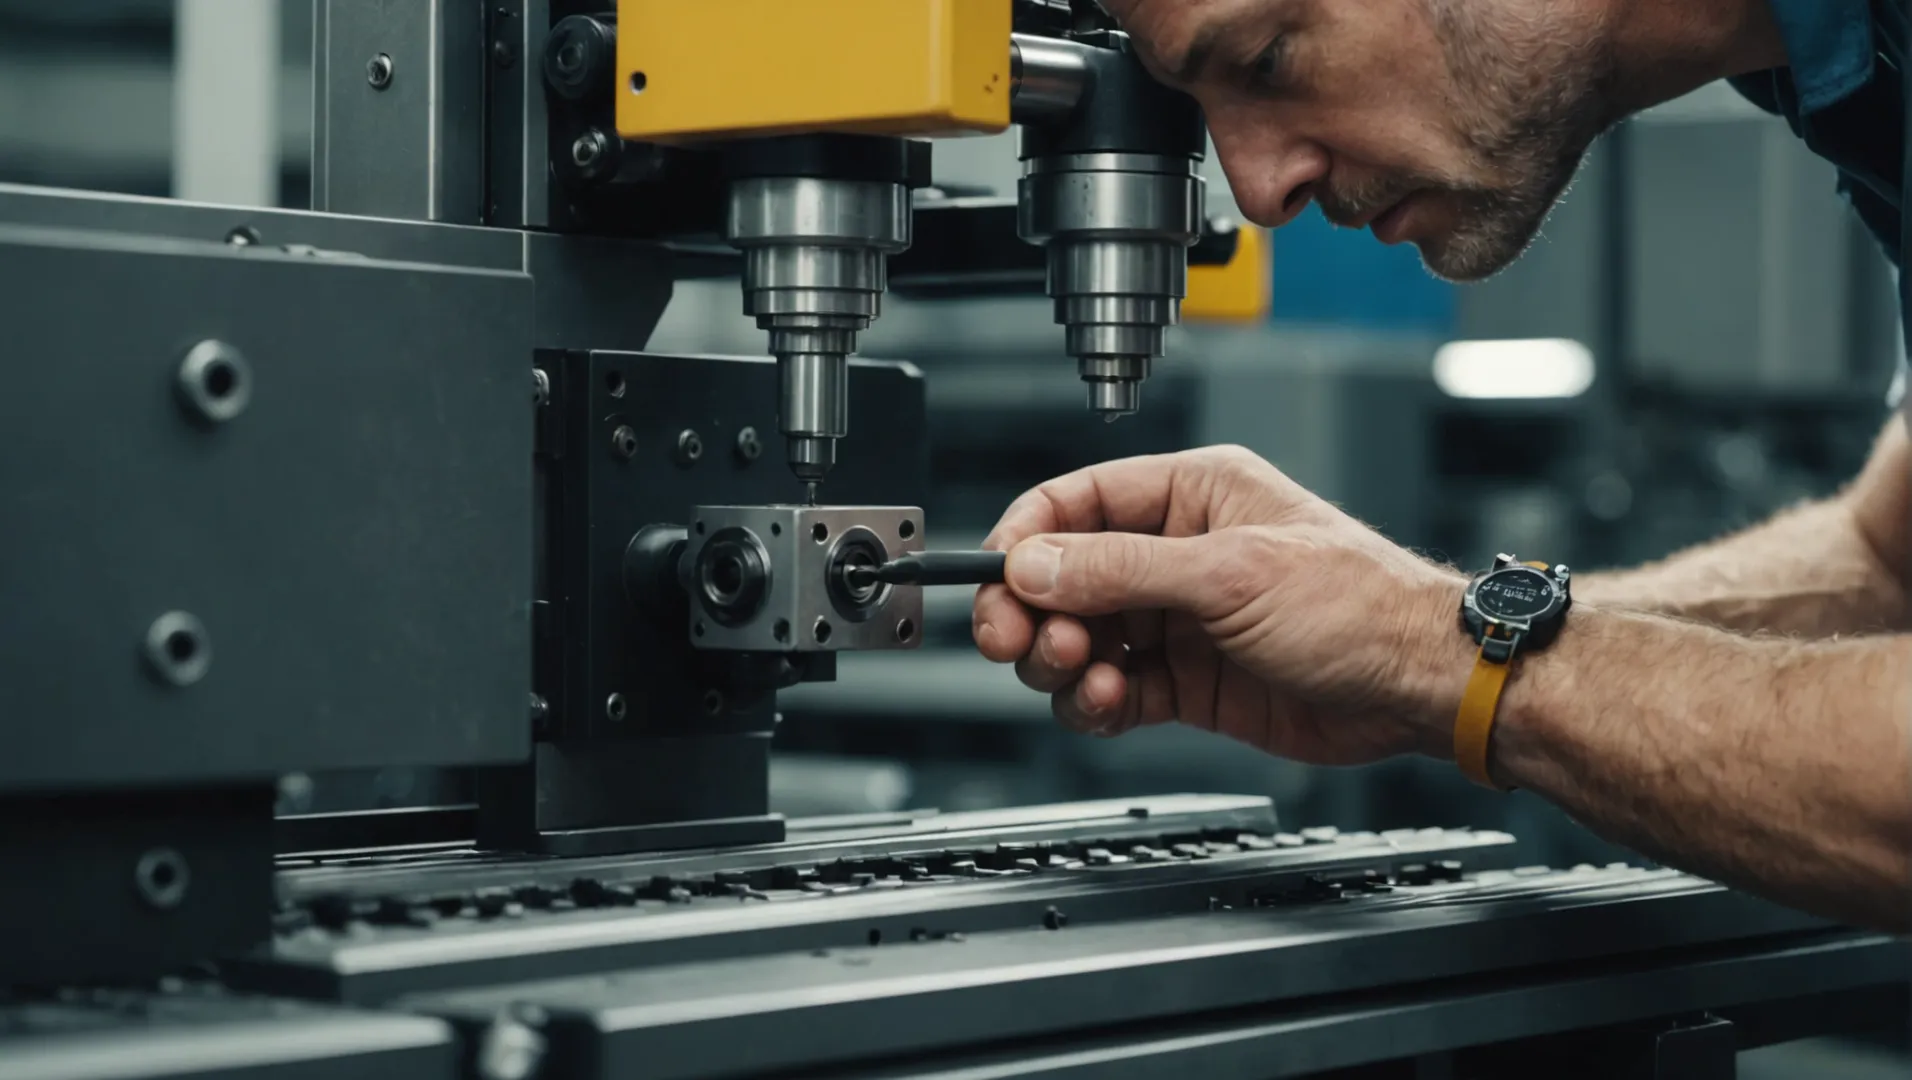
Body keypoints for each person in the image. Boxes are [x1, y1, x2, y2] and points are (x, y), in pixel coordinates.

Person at [973, 0, 1912, 932]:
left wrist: (1437, 656)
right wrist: (1412, 662)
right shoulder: (1856, 86)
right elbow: (1885, 565)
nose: (1257, 190)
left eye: (1265, 60)